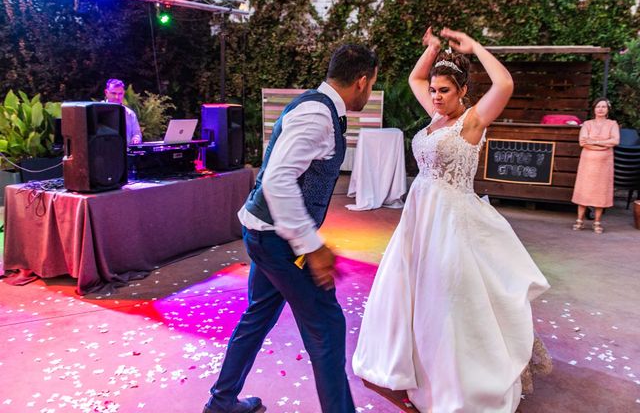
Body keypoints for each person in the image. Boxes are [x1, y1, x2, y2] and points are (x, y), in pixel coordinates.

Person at [352, 27, 550, 413]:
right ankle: (413, 370)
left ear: (462, 92)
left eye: (445, 90)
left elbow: (505, 82)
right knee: (414, 294)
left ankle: (456, 384)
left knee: (447, 300)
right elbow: (415, 78)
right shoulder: (435, 116)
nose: (436, 96)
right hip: (419, 218)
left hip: (451, 222)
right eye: (435, 90)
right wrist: (432, 49)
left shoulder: (473, 121)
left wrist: (474, 47)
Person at [203, 44, 379, 413]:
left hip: (266, 235)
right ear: (362, 81)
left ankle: (221, 402)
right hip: (277, 241)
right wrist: (311, 245)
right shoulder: (318, 115)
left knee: (258, 315)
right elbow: (278, 180)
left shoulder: (316, 105)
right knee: (327, 329)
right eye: (373, 82)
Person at [571, 97, 620, 233]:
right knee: (584, 189)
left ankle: (597, 222)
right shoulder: (587, 124)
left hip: (604, 163)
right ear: (594, 109)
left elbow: (615, 140)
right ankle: (579, 220)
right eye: (598, 106)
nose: (600, 109)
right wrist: (604, 143)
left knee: (601, 191)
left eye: (603, 107)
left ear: (608, 109)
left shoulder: (612, 124)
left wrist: (594, 141)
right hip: (588, 161)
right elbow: (583, 141)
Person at [104, 78, 142, 145]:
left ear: (123, 93)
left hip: (125, 153)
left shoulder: (129, 114)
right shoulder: (97, 111)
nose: (117, 97)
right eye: (113, 93)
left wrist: (136, 139)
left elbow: (137, 133)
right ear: (106, 93)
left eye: (120, 94)